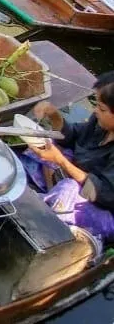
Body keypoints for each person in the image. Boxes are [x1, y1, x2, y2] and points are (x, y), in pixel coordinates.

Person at [27, 71, 114, 242]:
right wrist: (54, 115)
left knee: (67, 190)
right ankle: (45, 191)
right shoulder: (100, 124)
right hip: (79, 175)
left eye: (102, 108)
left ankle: (44, 217)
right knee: (44, 144)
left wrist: (60, 161)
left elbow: (102, 192)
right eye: (95, 105)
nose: (95, 111)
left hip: (103, 210)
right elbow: (73, 135)